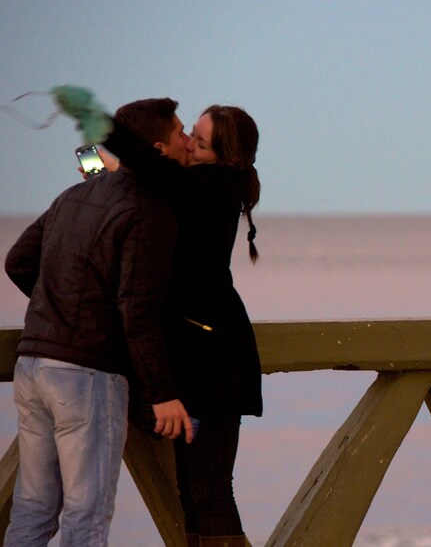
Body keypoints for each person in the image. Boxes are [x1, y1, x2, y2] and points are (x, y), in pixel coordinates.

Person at [4, 97, 195, 546]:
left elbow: (18, 262)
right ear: (158, 149)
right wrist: (163, 393)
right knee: (86, 516)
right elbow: (138, 309)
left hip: (33, 364)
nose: (188, 141)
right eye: (181, 132)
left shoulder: (75, 195)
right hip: (87, 375)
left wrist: (59, 309)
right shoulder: (149, 210)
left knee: (32, 508)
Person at [112, 104, 263, 547]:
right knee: (193, 493)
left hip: (215, 360)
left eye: (200, 140)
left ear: (225, 156)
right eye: (191, 133)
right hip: (197, 354)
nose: (189, 143)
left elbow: (157, 175)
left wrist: (108, 131)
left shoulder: (214, 186)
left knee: (211, 491)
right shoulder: (196, 188)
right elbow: (151, 185)